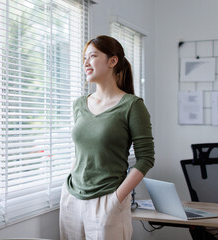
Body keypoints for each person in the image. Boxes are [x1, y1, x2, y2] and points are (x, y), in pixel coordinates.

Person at [59, 35, 155, 240]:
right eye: (84, 57)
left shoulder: (132, 105)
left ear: (112, 61)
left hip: (108, 199)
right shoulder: (79, 104)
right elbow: (82, 152)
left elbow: (146, 158)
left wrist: (117, 199)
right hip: (72, 198)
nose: (85, 62)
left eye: (92, 56)